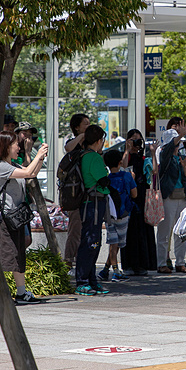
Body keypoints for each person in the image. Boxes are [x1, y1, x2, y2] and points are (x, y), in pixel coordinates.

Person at [0, 130, 49, 303]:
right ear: (6, 147)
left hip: (15, 218)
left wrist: (40, 158)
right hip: (3, 219)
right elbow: (28, 172)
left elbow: (32, 173)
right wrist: (38, 154)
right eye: (16, 144)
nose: (18, 148)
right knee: (4, 256)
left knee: (17, 254)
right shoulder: (1, 167)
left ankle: (21, 293)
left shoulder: (13, 165)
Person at [74, 125, 112, 296]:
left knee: (91, 242)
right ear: (98, 141)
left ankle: (90, 280)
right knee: (91, 242)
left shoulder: (83, 155)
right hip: (94, 203)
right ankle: (83, 282)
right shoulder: (94, 157)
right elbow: (103, 180)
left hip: (88, 202)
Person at [157, 119, 186, 274]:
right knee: (164, 232)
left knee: (182, 231)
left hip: (182, 197)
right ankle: (161, 263)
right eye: (175, 143)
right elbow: (168, 148)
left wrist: (184, 167)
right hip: (168, 198)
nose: (177, 146)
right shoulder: (164, 156)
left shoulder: (180, 156)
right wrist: (179, 136)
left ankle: (180, 262)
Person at [119, 128, 157, 276]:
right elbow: (123, 167)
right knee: (130, 231)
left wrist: (153, 152)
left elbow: (154, 171)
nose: (136, 143)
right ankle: (129, 265)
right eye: (133, 139)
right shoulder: (126, 156)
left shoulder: (144, 157)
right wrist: (127, 149)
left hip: (143, 196)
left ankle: (143, 264)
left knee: (143, 230)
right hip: (129, 197)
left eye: (138, 140)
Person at [99, 150, 137, 283]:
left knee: (113, 243)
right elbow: (134, 194)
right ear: (120, 162)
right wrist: (132, 179)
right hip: (124, 214)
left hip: (109, 215)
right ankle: (115, 272)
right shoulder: (127, 176)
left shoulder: (106, 179)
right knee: (117, 244)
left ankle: (105, 270)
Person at [63, 113, 90, 276]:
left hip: (88, 194)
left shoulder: (89, 145)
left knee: (86, 231)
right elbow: (68, 149)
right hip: (74, 194)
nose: (88, 126)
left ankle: (81, 264)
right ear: (77, 127)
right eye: (85, 124)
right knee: (74, 230)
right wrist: (81, 136)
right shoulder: (72, 143)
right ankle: (68, 263)